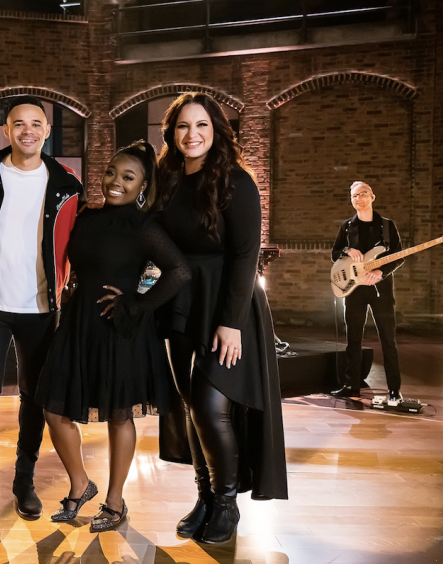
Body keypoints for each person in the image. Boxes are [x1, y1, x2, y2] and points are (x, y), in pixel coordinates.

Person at [35, 141, 191, 533]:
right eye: (111, 173)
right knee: (53, 408)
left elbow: (179, 271)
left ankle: (115, 502)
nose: (115, 182)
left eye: (128, 177)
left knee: (119, 415)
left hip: (120, 328)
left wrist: (138, 304)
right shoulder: (86, 216)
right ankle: (81, 485)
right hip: (78, 323)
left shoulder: (145, 226)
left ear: (143, 186)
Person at [153, 93, 288, 544]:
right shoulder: (167, 178)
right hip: (182, 300)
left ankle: (227, 504)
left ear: (216, 131)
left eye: (202, 126)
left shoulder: (236, 181)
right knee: (191, 404)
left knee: (213, 407)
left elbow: (246, 255)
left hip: (227, 304)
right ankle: (205, 496)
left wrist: (230, 322)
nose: (192, 135)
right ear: (171, 134)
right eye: (183, 127)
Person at [0, 96, 83, 529]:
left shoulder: (69, 184)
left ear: (46, 131)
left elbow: (80, 242)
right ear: (7, 130)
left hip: (41, 308)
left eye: (36, 123)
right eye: (18, 123)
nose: (27, 130)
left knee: (32, 398)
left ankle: (24, 483)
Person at [330, 181, 404, 402]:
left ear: (373, 197)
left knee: (388, 339)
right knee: (353, 338)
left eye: (363, 194)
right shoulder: (346, 227)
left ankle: (394, 389)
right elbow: (334, 253)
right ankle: (351, 384)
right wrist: (346, 250)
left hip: (380, 289)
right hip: (354, 289)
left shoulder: (387, 226)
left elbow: (399, 255)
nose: (358, 199)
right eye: (354, 196)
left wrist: (381, 272)